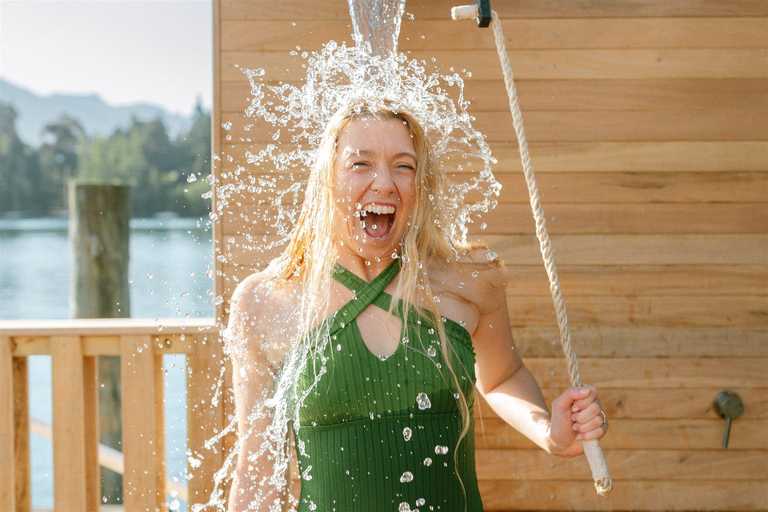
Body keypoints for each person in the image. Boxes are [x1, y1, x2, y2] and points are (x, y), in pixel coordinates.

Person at [225, 100, 608, 512]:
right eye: (360, 164)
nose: (384, 183)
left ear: (420, 184)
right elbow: (258, 473)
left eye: (403, 166)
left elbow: (501, 377)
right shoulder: (266, 301)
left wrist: (550, 433)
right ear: (327, 179)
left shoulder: (470, 280)